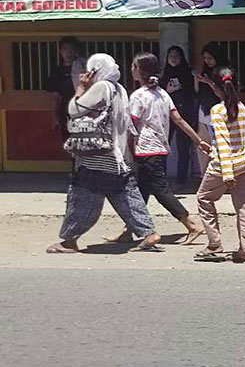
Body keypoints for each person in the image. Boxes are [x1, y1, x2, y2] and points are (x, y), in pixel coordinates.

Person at [46, 54, 161, 254]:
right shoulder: (120, 89)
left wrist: (81, 87)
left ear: (95, 70)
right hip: (117, 155)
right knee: (126, 195)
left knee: (81, 196)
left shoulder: (101, 88)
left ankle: (69, 241)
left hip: (97, 155)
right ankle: (149, 233)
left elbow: (74, 109)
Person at [104, 52, 210, 245]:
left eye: (134, 66)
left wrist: (122, 148)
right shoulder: (163, 94)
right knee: (141, 192)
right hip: (160, 149)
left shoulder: (138, 96)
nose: (132, 70)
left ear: (140, 71)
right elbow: (178, 120)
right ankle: (129, 229)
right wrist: (197, 140)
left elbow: (131, 127)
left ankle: (191, 225)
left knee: (161, 191)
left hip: (145, 150)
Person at [194, 67, 245, 263]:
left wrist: (228, 174)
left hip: (224, 166)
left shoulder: (217, 110)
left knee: (203, 198)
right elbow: (236, 140)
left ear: (214, 86)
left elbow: (224, 143)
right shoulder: (242, 107)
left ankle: (214, 243)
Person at [160, 45, 198, 186]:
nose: (174, 59)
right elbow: (157, 95)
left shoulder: (188, 73)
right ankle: (161, 181)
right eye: (171, 56)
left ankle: (181, 180)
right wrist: (168, 90)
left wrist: (194, 82)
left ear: (182, 58)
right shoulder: (163, 75)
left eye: (177, 56)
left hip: (185, 115)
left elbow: (195, 94)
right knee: (163, 148)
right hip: (167, 116)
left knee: (184, 149)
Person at [45, 36, 87, 141]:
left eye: (72, 49)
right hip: (65, 112)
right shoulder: (57, 72)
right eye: (65, 49)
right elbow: (55, 96)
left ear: (77, 51)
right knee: (69, 142)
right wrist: (54, 117)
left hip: (84, 109)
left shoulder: (84, 68)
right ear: (60, 51)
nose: (69, 53)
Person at [194, 43, 227, 175]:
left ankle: (221, 177)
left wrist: (209, 82)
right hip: (203, 113)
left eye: (210, 58)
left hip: (218, 115)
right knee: (203, 147)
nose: (207, 61)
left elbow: (224, 95)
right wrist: (197, 81)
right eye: (205, 58)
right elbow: (197, 93)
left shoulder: (225, 72)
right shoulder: (205, 71)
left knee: (219, 148)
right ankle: (205, 176)